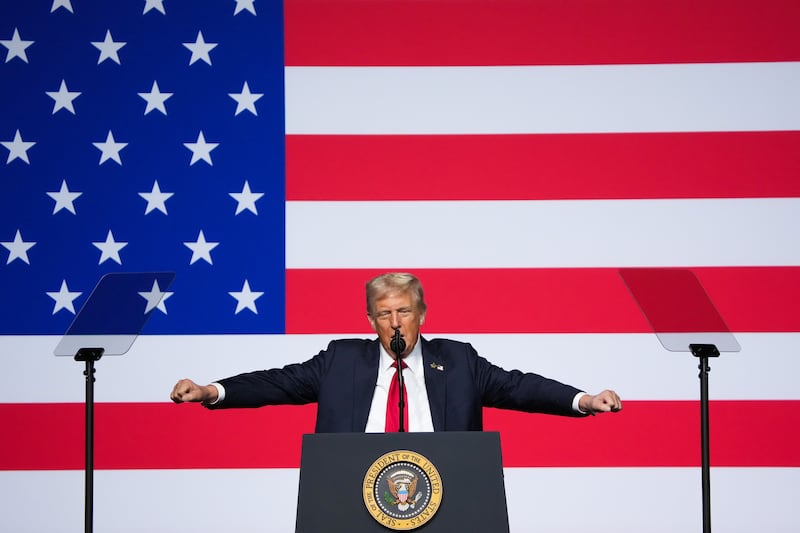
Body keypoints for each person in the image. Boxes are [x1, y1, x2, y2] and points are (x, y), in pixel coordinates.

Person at [170, 272, 622, 432]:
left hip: (446, 493)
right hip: (351, 494)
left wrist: (583, 399)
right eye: (383, 314)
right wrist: (212, 390)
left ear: (422, 314)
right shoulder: (340, 359)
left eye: (403, 311)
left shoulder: (459, 359)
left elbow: (518, 387)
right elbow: (277, 382)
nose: (395, 322)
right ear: (370, 321)